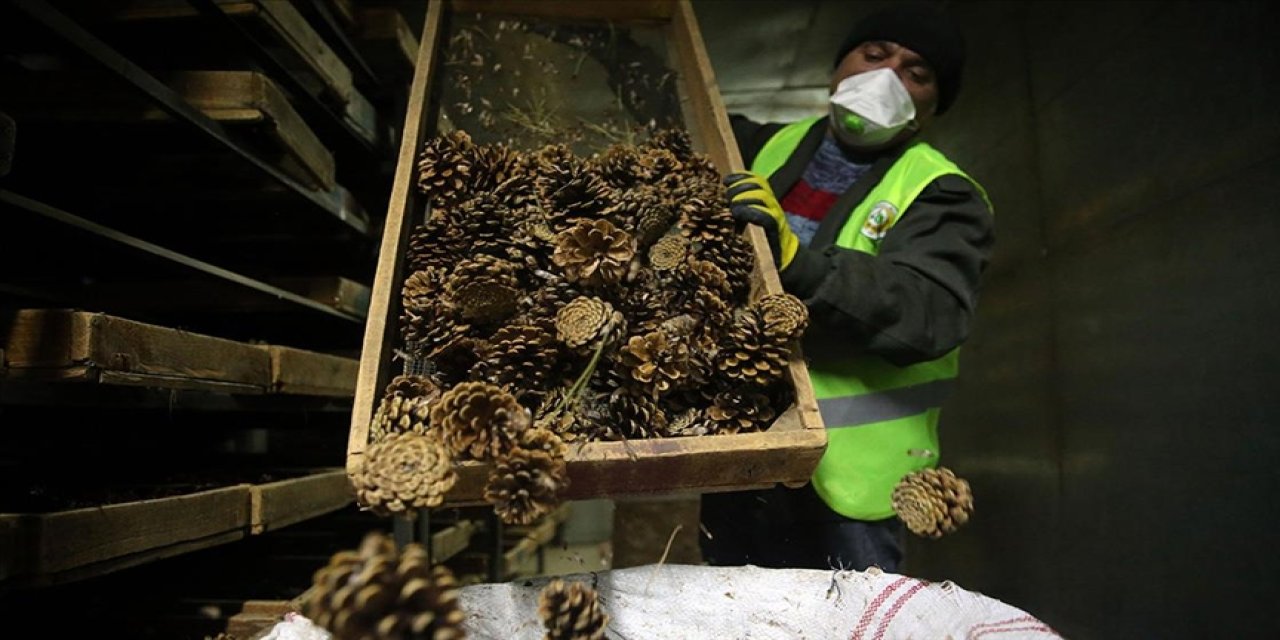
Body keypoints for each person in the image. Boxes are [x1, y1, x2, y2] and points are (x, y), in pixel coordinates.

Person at [699, 3, 994, 573]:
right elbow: (670, 94)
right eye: (875, 54)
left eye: (917, 72)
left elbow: (926, 309)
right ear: (839, 67)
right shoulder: (759, 148)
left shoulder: (945, 195)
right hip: (747, 451)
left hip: (848, 492)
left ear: (933, 105)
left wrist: (798, 264)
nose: (886, 77)